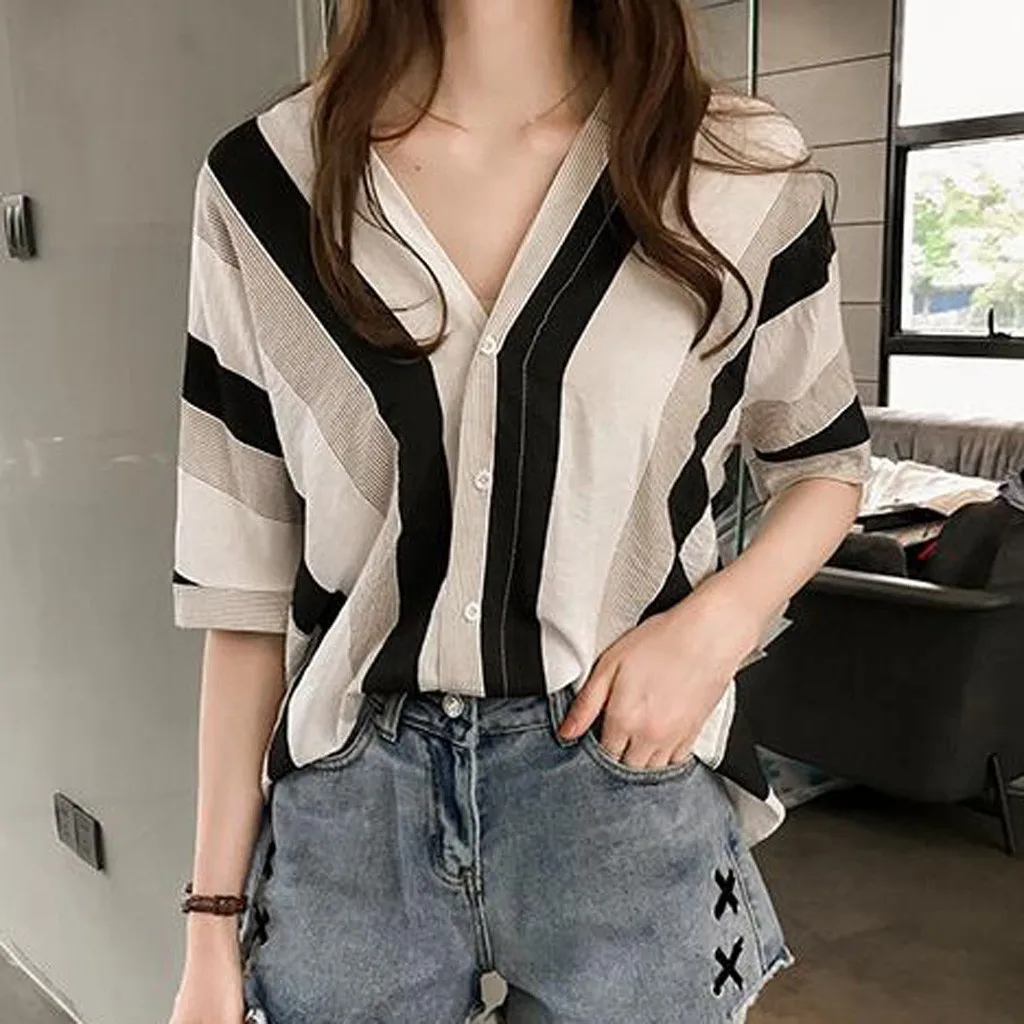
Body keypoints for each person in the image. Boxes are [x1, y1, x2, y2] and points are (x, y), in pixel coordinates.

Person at [167, 2, 871, 1022]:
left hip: (621, 777)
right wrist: (209, 926)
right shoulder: (266, 188)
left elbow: (824, 460)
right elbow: (239, 593)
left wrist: (712, 632)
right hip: (352, 815)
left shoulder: (733, 169)